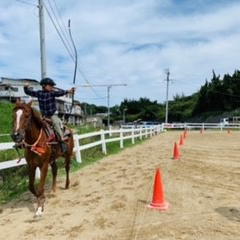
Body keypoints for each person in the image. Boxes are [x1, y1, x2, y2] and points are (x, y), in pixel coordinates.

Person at [24, 78, 76, 153]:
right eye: (50, 85)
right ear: (44, 85)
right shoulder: (39, 93)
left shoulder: (52, 93)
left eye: (52, 85)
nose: (52, 87)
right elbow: (28, 92)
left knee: (56, 123)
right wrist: (25, 87)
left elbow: (60, 93)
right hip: (44, 116)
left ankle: (62, 142)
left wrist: (69, 91)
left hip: (52, 115)